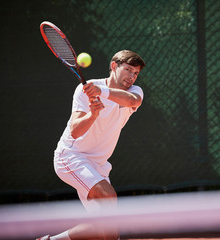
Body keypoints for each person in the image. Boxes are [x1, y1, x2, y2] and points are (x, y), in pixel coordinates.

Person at [37, 50, 146, 240]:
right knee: (109, 197)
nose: (131, 77)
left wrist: (102, 92)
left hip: (99, 165)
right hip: (71, 156)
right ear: (114, 66)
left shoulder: (134, 92)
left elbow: (132, 100)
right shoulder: (84, 90)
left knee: (104, 226)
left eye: (135, 73)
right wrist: (92, 114)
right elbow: (75, 131)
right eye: (127, 70)